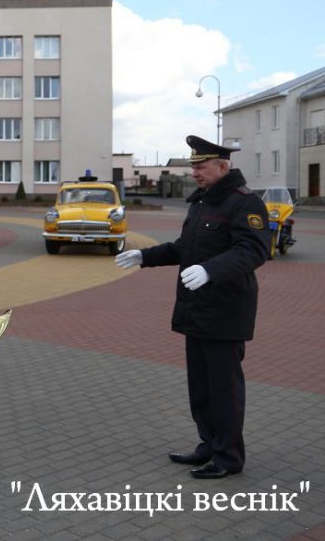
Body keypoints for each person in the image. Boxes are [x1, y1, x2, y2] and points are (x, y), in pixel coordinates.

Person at [116, 135, 269, 479]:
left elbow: (253, 250)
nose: (195, 173)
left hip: (226, 312)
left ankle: (228, 457)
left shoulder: (243, 203)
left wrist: (211, 270)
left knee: (224, 389)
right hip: (196, 310)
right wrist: (145, 256)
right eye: (193, 167)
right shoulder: (202, 202)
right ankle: (209, 445)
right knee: (200, 388)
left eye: (201, 167)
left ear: (223, 166)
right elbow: (185, 247)